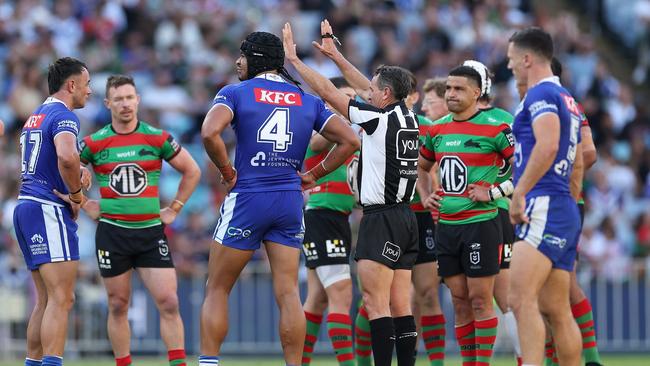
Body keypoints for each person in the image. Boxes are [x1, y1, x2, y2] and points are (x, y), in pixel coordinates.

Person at [199, 30, 360, 366]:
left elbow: (209, 133)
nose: (237, 62)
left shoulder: (236, 92)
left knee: (217, 287)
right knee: (288, 294)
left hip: (248, 196)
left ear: (255, 58)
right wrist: (313, 174)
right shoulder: (306, 99)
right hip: (289, 200)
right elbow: (349, 140)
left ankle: (209, 362)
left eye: (242, 55)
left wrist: (227, 172)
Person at [284, 20, 420, 366]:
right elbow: (363, 86)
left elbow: (331, 93)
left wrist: (297, 63)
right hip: (406, 218)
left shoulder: (376, 119)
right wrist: (336, 56)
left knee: (376, 303)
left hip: (381, 217)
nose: (366, 93)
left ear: (385, 95)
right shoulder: (407, 117)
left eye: (373, 91)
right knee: (400, 305)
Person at [79, 75, 201, 366]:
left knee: (169, 302)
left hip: (149, 233)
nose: (125, 104)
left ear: (138, 100)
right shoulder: (94, 143)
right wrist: (83, 202)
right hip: (112, 233)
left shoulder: (156, 137)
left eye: (130, 97)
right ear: (108, 103)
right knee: (118, 305)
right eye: (118, 99)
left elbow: (192, 170)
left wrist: (174, 208)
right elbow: (67, 167)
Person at [417, 64, 515, 366]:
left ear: (477, 92)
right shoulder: (437, 129)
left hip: (481, 225)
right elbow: (421, 168)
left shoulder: (496, 128)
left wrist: (494, 192)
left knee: (481, 300)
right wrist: (425, 195)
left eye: (458, 88)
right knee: (459, 302)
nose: (451, 94)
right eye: (448, 88)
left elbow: (524, 171)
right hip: (446, 227)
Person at [506, 27, 584, 366]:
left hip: (543, 203)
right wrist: (571, 202)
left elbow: (548, 143)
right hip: (563, 205)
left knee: (519, 299)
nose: (509, 67)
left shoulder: (540, 95)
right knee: (556, 308)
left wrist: (520, 193)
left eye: (511, 60)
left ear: (526, 59)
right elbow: (579, 159)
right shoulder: (567, 98)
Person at [12, 57, 91, 366]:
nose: (90, 91)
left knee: (44, 300)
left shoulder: (36, 115)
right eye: (87, 85)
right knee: (62, 298)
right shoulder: (64, 115)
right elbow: (67, 156)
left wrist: (74, 168)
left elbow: (46, 159)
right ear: (71, 85)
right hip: (48, 208)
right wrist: (76, 194)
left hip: (26, 206)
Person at [463, 59, 522, 365]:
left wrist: (496, 193)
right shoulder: (449, 120)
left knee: (504, 299)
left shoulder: (504, 120)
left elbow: (521, 170)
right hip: (455, 219)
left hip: (493, 213)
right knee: (466, 300)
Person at [300, 77, 359, 366]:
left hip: (336, 218)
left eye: (350, 98)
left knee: (317, 300)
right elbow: (316, 141)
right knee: (341, 295)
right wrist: (342, 114)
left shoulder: (350, 136)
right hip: (323, 216)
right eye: (341, 97)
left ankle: (298, 361)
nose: (348, 104)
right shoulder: (324, 131)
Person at [406, 75, 447, 366]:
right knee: (383, 299)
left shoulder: (431, 129)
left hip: (425, 219)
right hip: (390, 215)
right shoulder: (378, 120)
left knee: (428, 294)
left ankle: (436, 362)